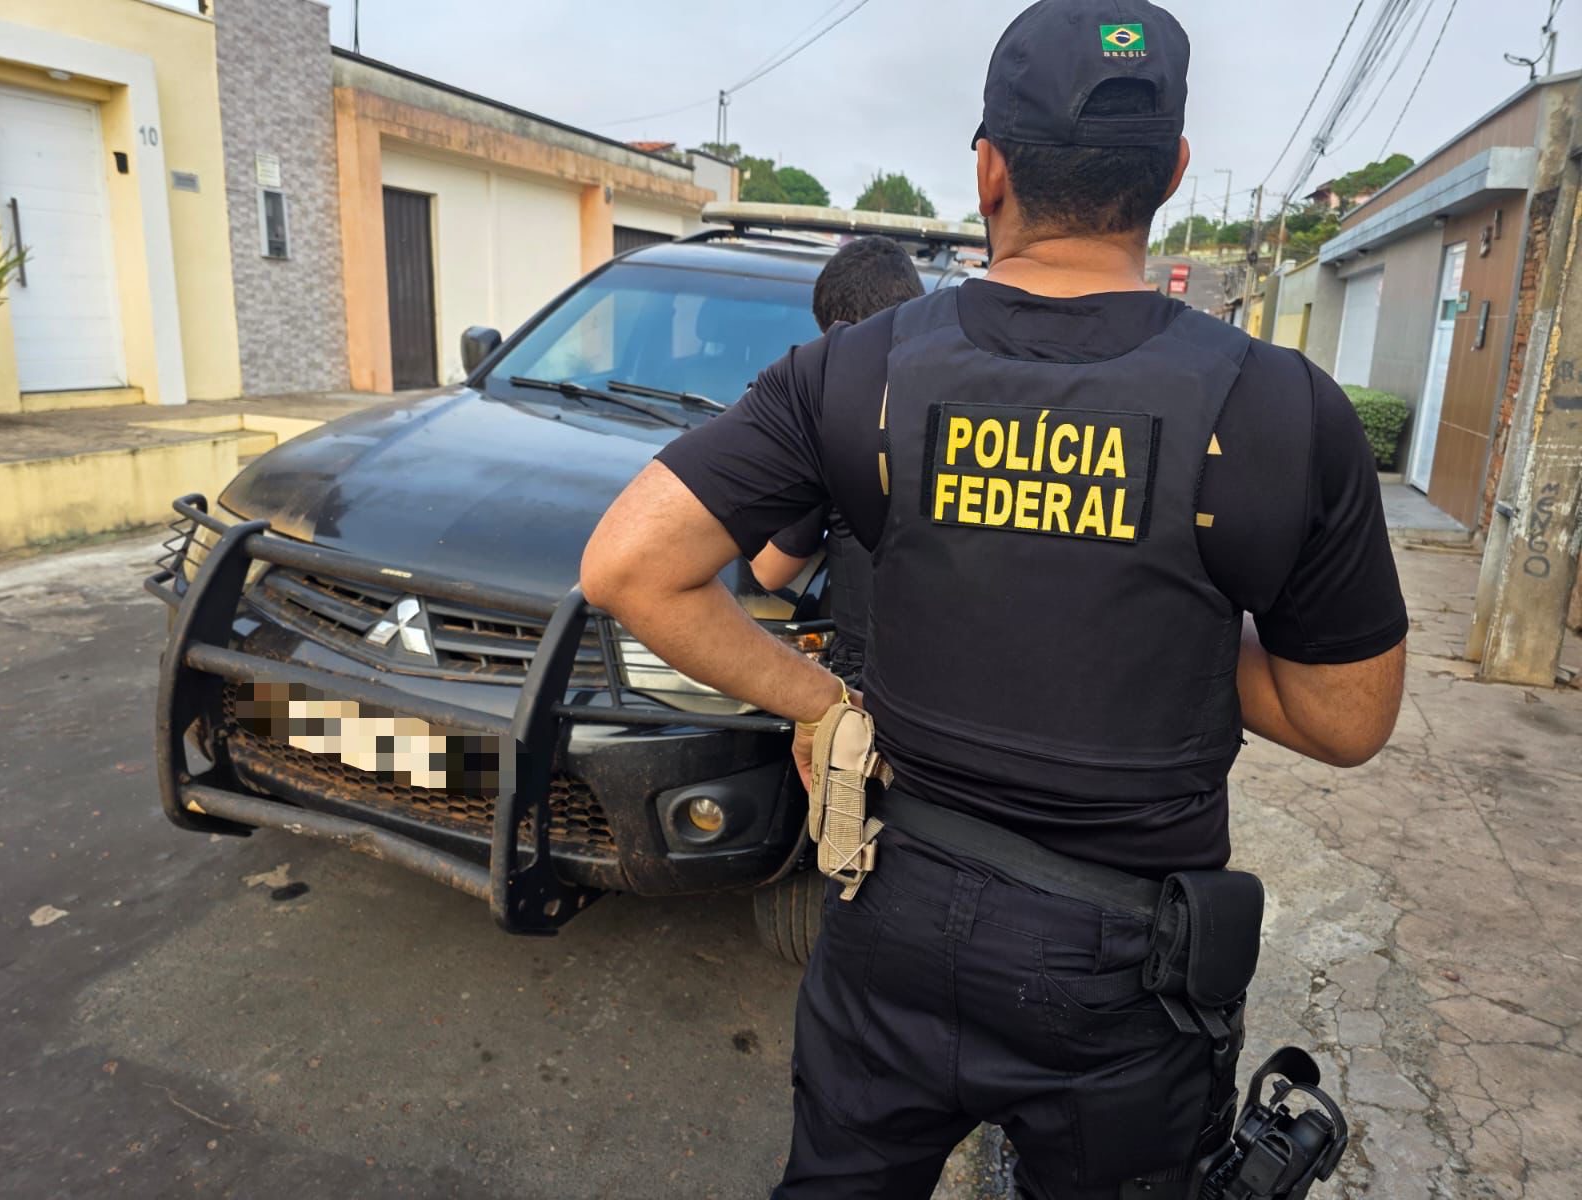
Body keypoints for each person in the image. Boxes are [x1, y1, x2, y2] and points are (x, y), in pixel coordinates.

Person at [581, 1, 1407, 1195]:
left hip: (893, 905)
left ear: (988, 170)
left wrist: (820, 703)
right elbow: (1346, 716)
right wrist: (1153, 612)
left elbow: (628, 564)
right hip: (1123, 972)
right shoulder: (1282, 407)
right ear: (1171, 171)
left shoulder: (856, 368)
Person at [749, 235, 925, 683]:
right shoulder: (958, 392)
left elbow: (770, 570)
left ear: (837, 335)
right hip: (949, 668)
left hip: (867, 671)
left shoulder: (832, 413)